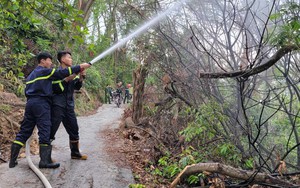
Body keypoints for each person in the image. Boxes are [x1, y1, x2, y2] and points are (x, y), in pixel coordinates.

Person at [9, 52, 91, 168]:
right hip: (49, 104)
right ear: (43, 61)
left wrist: (78, 76)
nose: (50, 63)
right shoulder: (48, 72)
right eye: (49, 60)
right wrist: (79, 67)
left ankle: (13, 161)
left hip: (34, 103)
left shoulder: (32, 75)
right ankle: (45, 160)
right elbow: (58, 83)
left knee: (25, 131)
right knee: (47, 130)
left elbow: (74, 86)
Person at [50, 51, 88, 160]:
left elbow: (76, 87)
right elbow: (56, 88)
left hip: (69, 105)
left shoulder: (72, 73)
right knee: (52, 129)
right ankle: (46, 156)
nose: (71, 59)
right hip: (57, 105)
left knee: (74, 128)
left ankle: (75, 153)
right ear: (62, 59)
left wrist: (81, 78)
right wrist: (69, 78)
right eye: (69, 57)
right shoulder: (56, 73)